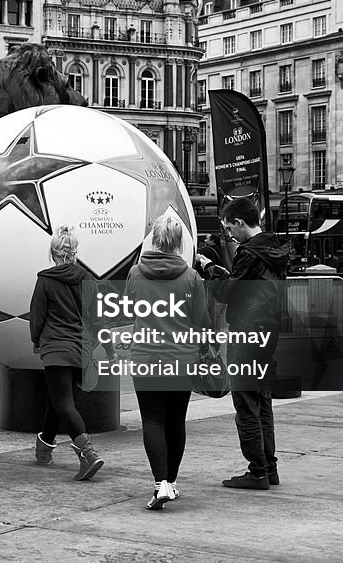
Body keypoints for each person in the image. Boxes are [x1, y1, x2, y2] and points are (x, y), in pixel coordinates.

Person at [202, 197, 289, 491]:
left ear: (239, 223)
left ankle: (257, 471)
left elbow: (228, 293)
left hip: (248, 333)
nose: (229, 234)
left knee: (246, 402)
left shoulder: (249, 253)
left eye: (229, 228)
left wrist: (211, 268)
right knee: (262, 399)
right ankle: (270, 467)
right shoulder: (273, 249)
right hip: (269, 331)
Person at [127, 213, 207, 510]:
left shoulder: (136, 273)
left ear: (154, 240)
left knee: (152, 419)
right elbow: (202, 321)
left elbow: (130, 307)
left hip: (146, 356)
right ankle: (171, 483)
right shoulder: (191, 277)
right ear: (178, 243)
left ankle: (159, 482)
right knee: (175, 420)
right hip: (182, 358)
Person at [30, 225, 105, 481]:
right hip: (79, 350)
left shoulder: (46, 280)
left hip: (55, 348)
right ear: (74, 252)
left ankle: (88, 454)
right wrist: (104, 347)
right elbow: (96, 319)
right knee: (56, 398)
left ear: (53, 253)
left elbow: (37, 316)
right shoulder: (87, 279)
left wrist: (35, 340)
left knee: (63, 403)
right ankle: (43, 449)